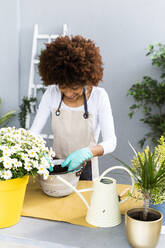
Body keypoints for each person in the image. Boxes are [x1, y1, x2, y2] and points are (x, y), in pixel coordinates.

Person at [30, 35, 117, 180]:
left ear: (87, 81)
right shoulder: (51, 94)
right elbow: (33, 133)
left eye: (75, 88)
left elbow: (111, 142)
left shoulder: (99, 97)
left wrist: (87, 152)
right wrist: (39, 153)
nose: (69, 93)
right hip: (57, 166)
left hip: (86, 168)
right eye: (63, 87)